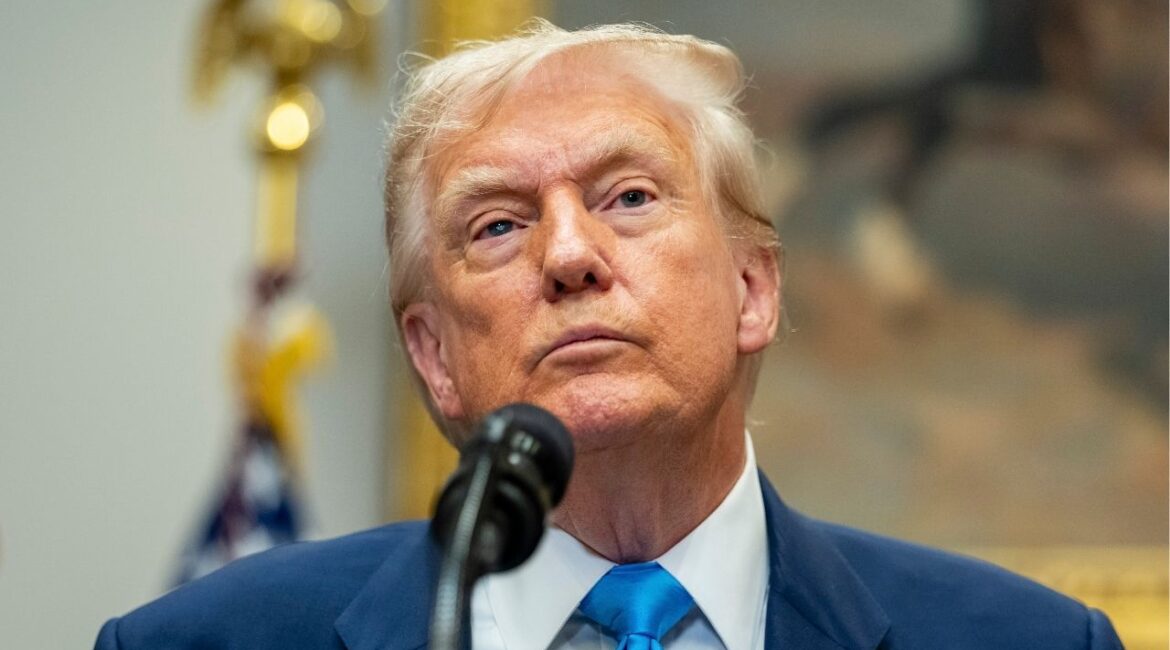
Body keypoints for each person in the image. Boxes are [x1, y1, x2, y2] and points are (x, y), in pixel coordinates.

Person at [95, 21, 1122, 650]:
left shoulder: (1028, 642)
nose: (569, 254)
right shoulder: (205, 643)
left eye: (628, 197)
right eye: (497, 225)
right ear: (434, 355)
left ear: (753, 288)